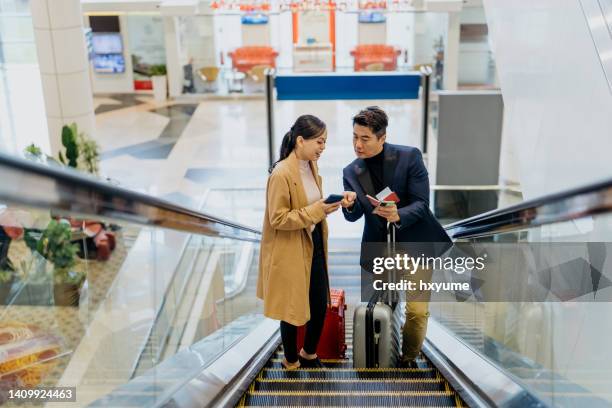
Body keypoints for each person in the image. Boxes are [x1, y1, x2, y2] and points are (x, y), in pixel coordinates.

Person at [340, 106, 452, 366]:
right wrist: (349, 205)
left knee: (416, 310)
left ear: (382, 137)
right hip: (378, 249)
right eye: (354, 137)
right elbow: (355, 215)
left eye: (364, 138)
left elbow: (422, 203)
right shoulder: (351, 171)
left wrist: (397, 214)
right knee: (380, 307)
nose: (358, 144)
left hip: (415, 244)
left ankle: (409, 356)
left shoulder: (408, 157)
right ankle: (380, 357)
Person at [256, 115, 341, 370]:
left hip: (313, 243)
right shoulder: (281, 173)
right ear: (301, 140)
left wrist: (331, 205)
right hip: (291, 247)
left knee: (318, 305)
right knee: (292, 309)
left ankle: (309, 353)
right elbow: (278, 218)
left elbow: (313, 204)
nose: (322, 148)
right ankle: (291, 361)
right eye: (319, 142)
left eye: (325, 143)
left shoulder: (310, 165)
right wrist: (318, 210)